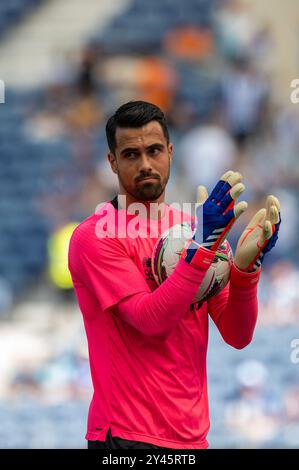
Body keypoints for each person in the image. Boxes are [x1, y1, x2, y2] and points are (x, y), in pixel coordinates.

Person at [68, 101, 281, 449]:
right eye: (131, 154)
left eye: (154, 150)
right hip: (127, 437)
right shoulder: (96, 236)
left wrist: (246, 270)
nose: (146, 164)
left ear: (170, 152)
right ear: (112, 162)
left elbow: (238, 334)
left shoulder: (192, 230)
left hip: (193, 438)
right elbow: (151, 321)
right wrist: (202, 248)